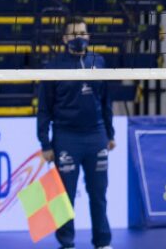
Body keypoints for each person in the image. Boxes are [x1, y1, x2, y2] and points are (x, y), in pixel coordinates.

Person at [37, 16, 115, 249]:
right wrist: (45, 144)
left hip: (96, 136)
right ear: (64, 38)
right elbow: (44, 110)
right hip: (66, 138)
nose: (79, 37)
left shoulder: (98, 62)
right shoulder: (53, 68)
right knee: (64, 198)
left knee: (99, 195)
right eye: (74, 34)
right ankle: (67, 243)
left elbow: (106, 102)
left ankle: (103, 243)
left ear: (89, 36)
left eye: (83, 33)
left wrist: (110, 134)